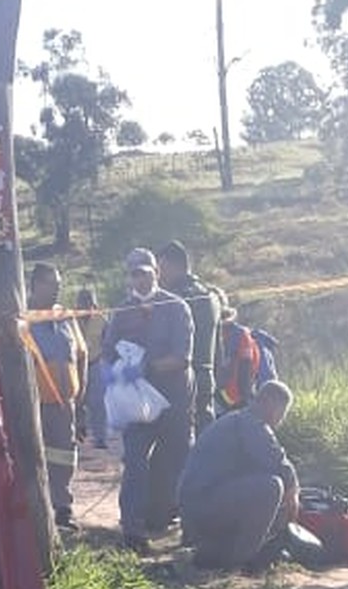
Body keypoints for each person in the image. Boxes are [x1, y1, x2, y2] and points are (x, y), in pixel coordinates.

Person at [101, 246, 193, 552]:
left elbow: (182, 358)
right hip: (136, 403)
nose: (140, 279)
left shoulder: (177, 307)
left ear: (156, 272)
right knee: (136, 463)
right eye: (134, 273)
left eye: (145, 272)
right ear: (128, 276)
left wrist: (148, 365)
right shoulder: (121, 312)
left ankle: (175, 523)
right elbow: (109, 350)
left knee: (176, 461)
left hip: (173, 399)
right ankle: (133, 532)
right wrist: (122, 370)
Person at [177, 379, 300, 571]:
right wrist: (293, 491)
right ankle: (243, 559)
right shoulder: (251, 423)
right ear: (271, 406)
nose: (280, 420)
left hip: (196, 508)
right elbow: (277, 461)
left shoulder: (235, 419)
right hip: (203, 507)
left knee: (266, 483)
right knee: (272, 487)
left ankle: (219, 551)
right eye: (282, 413)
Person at [21, 262, 88, 535]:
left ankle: (63, 508)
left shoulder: (66, 317)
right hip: (34, 405)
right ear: (35, 285)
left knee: (64, 456)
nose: (57, 288)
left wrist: (81, 394)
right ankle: (38, 511)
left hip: (65, 404)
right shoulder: (23, 319)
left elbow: (82, 355)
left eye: (59, 283)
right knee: (36, 458)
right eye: (51, 283)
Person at [157, 240, 224, 433]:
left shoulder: (175, 300)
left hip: (180, 380)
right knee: (205, 440)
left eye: (160, 268)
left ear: (169, 265)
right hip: (206, 378)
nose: (158, 277)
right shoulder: (212, 298)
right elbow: (218, 349)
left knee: (177, 446)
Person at [74, 286, 106, 446]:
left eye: (89, 303)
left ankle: (100, 437)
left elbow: (108, 341)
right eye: (83, 302)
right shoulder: (71, 319)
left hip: (95, 364)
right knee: (77, 401)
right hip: (76, 365)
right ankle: (77, 435)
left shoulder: (101, 319)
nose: (86, 306)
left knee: (98, 402)